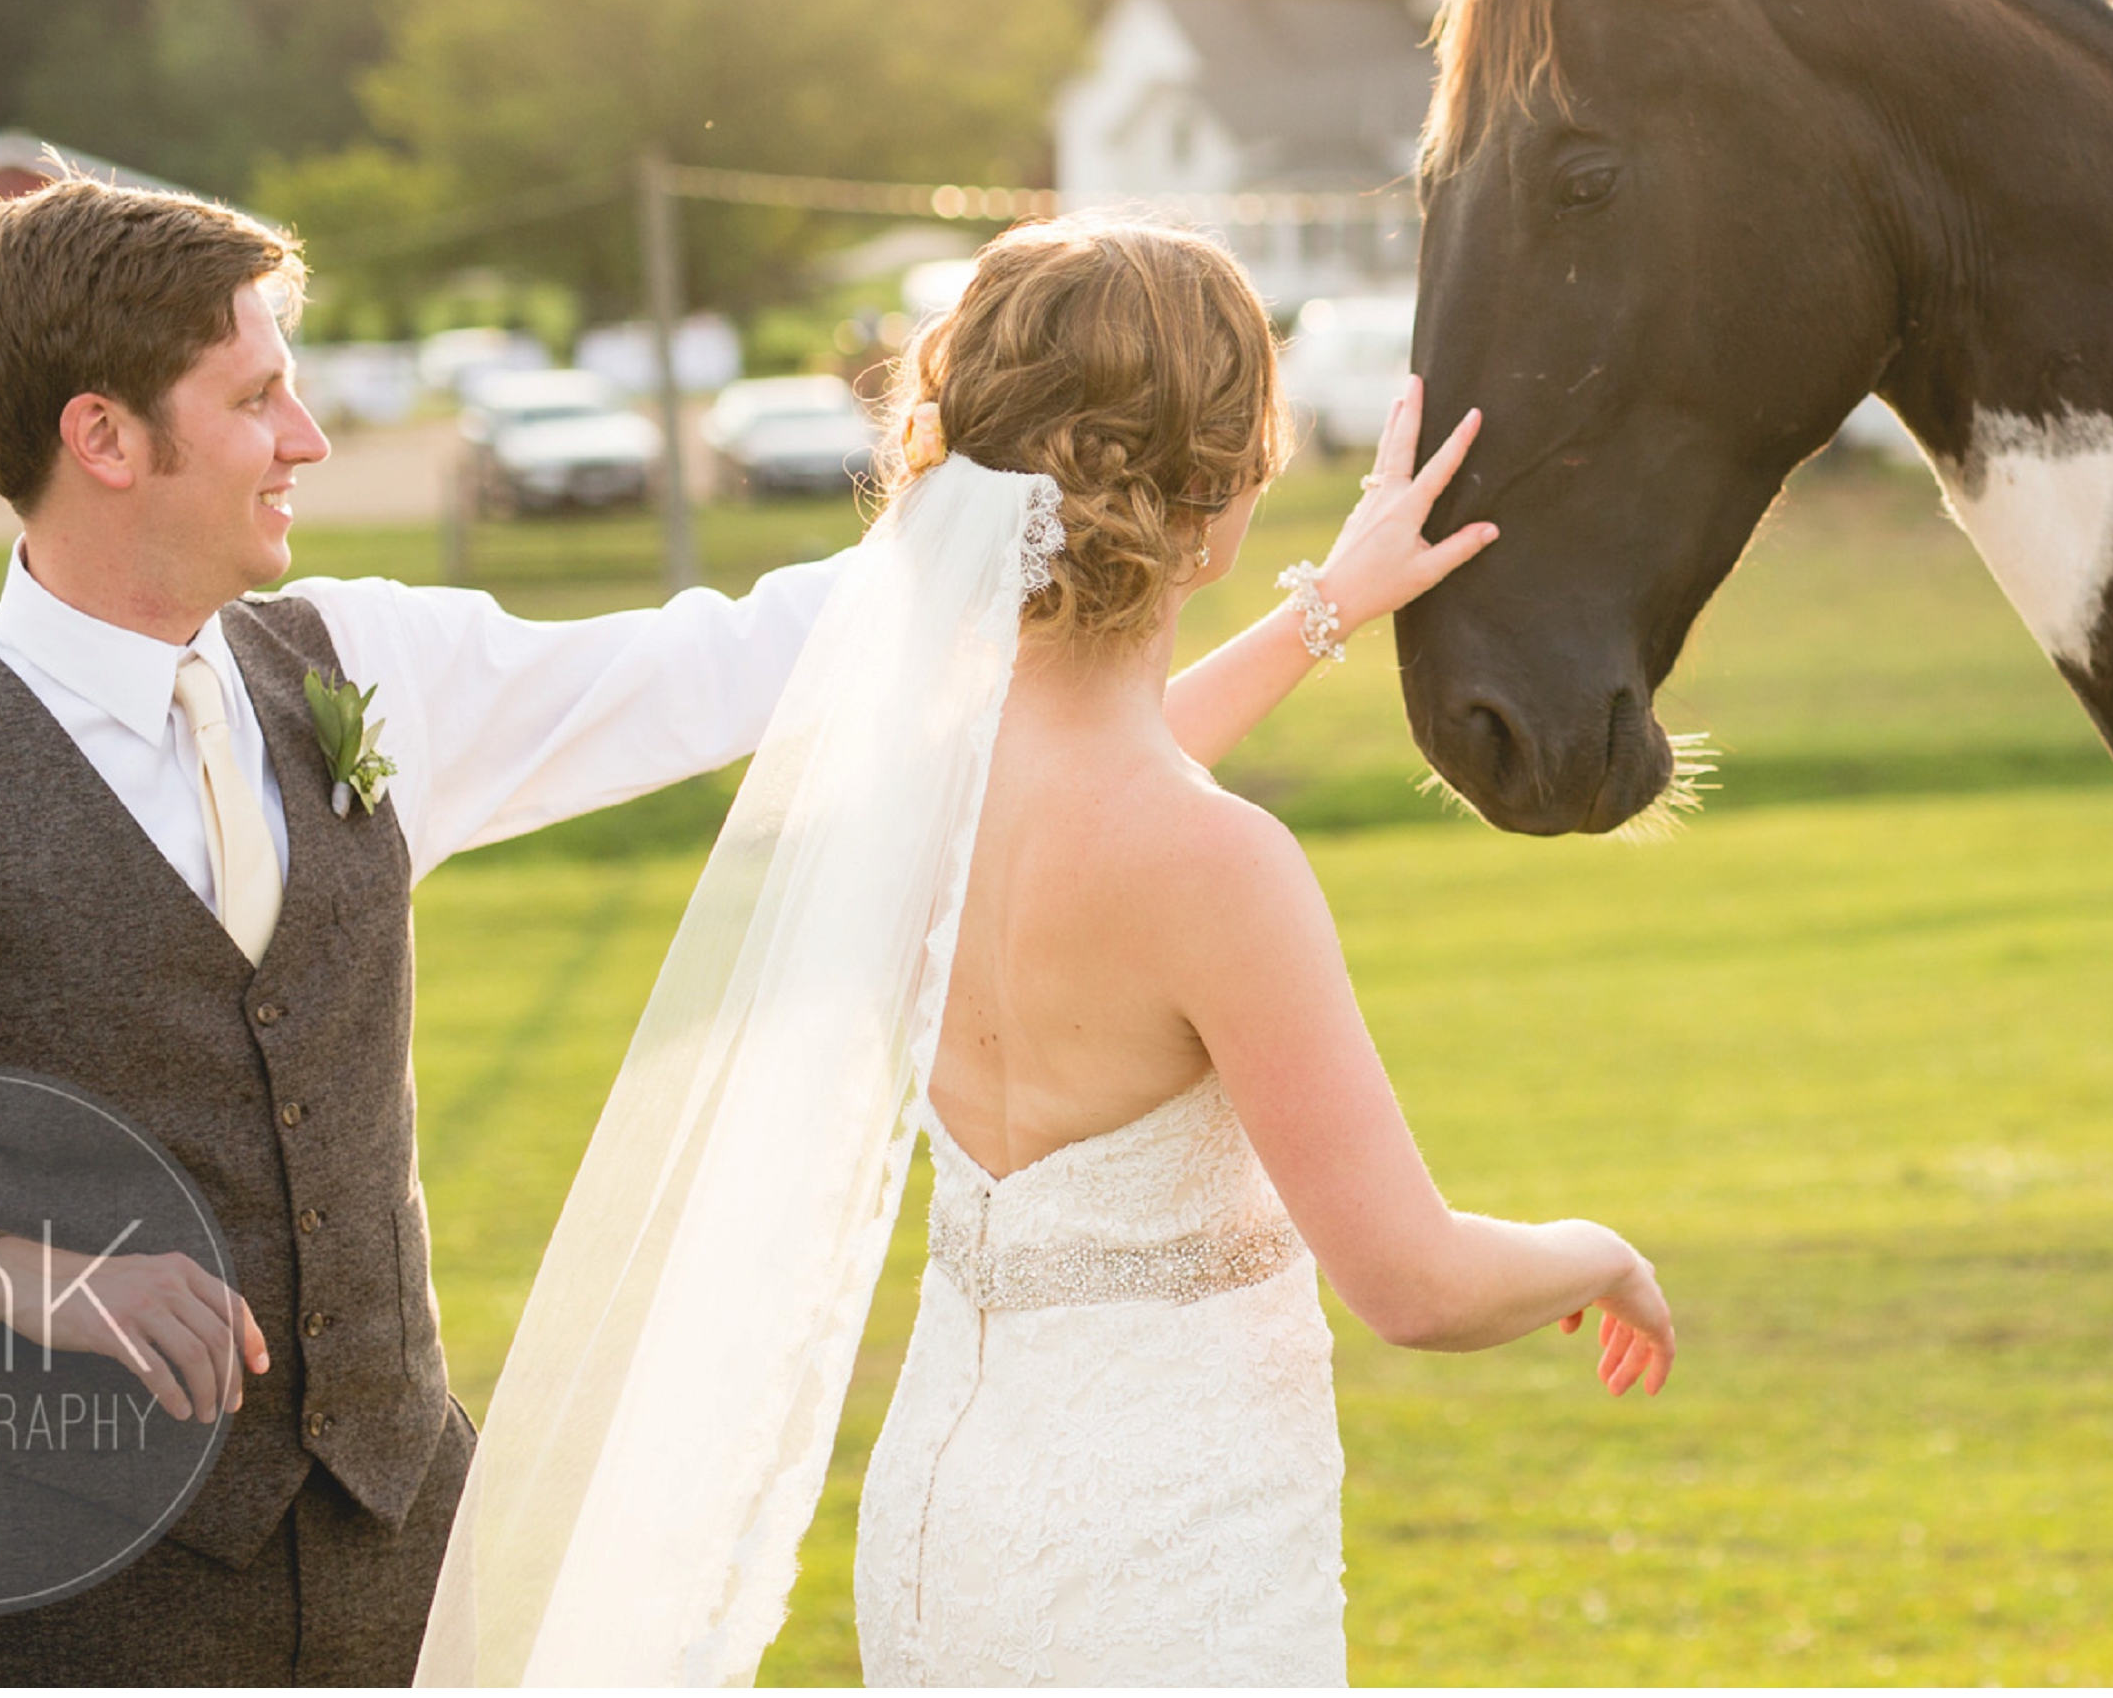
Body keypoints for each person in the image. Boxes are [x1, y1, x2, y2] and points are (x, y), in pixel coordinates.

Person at [0, 178, 1425, 1685]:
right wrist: (27, 1283)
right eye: (256, 400)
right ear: (102, 438)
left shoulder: (363, 664)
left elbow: (745, 650)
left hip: (417, 1567)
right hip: (73, 1603)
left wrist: (1202, 542)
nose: (309, 437)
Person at [424, 219, 1672, 1687]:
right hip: (1170, 1563)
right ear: (1220, 500)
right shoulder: (1214, 867)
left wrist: (1326, 610)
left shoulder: (910, 793)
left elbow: (1103, 776)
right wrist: (1604, 1253)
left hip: (946, 1533)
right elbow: (1416, 1283)